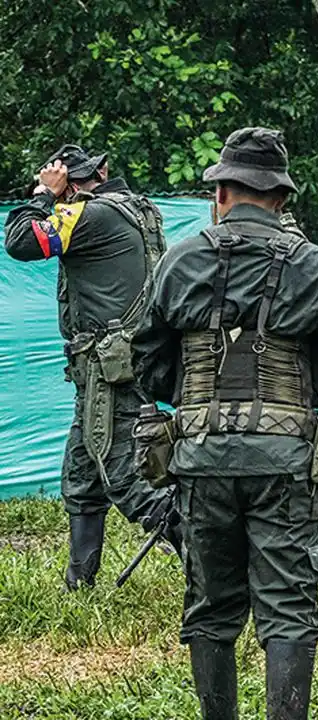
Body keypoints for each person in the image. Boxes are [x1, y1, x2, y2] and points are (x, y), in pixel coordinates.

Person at [132, 127, 318, 719]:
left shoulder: (180, 259)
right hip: (284, 461)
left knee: (210, 607)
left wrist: (192, 396)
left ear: (221, 193)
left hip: (200, 458)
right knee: (289, 608)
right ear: (280, 198)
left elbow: (145, 360)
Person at [4, 144, 176, 590]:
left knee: (127, 477)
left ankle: (214, 568)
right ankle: (79, 585)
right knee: (82, 476)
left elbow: (22, 240)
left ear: (72, 185)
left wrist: (44, 194)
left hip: (110, 373)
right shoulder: (136, 209)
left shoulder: (91, 214)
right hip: (110, 368)